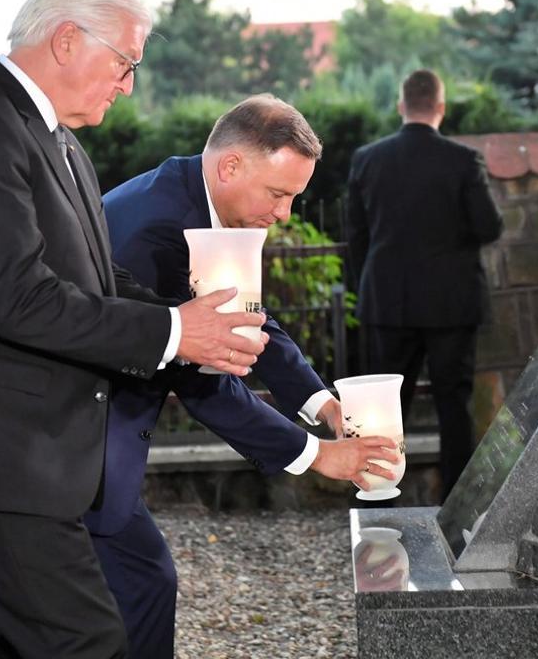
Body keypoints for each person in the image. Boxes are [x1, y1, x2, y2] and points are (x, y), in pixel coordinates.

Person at [0, 0, 269, 659]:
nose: (128, 85)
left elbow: (97, 278)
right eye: (125, 63)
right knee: (86, 641)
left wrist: (186, 326)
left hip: (23, 453)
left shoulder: (57, 141)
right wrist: (174, 331)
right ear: (67, 39)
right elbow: (20, 298)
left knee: (8, 643)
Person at [91, 94, 399, 656]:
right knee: (142, 584)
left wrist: (324, 406)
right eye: (279, 194)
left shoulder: (198, 204)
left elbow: (252, 323)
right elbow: (206, 382)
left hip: (85, 437)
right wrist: (317, 455)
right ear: (230, 167)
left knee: (10, 609)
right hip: (66, 437)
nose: (285, 214)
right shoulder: (158, 231)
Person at [346, 68, 503, 499]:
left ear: (401, 107)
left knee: (382, 408)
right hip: (452, 304)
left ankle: (376, 494)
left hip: (388, 303)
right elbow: (489, 227)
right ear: (441, 108)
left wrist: (371, 284)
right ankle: (457, 503)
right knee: (453, 405)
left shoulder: (367, 159)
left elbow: (356, 237)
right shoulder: (462, 160)